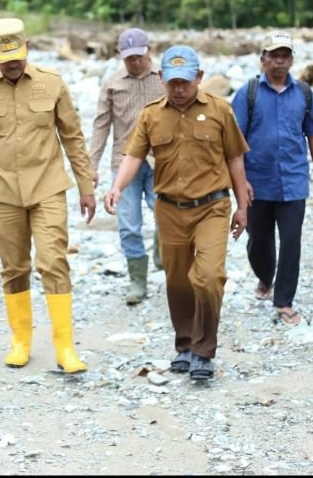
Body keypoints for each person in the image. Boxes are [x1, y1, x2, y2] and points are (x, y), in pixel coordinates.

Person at [0, 18, 97, 373]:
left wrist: (86, 186)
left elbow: (73, 137)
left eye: (17, 56)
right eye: (4, 59)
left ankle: (65, 348)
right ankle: (21, 341)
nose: (13, 64)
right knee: (14, 268)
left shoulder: (52, 83)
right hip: (2, 193)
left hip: (48, 187)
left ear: (28, 48)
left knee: (53, 262)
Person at [104, 45, 249, 382]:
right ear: (162, 79)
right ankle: (184, 345)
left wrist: (243, 206)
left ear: (199, 77)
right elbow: (133, 156)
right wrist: (117, 187)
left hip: (212, 207)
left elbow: (235, 158)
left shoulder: (220, 110)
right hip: (169, 210)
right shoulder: (151, 115)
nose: (179, 89)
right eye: (173, 83)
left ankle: (204, 351)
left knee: (209, 277)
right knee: (178, 281)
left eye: (185, 81)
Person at [231, 31, 313, 327]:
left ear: (292, 60)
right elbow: (233, 141)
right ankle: (265, 277)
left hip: (294, 183)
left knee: (291, 243)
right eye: (273, 55)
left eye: (285, 56)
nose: (279, 61)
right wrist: (241, 182)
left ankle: (284, 301)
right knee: (258, 244)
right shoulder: (247, 94)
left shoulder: (304, 94)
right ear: (263, 59)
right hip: (256, 184)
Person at [89, 28, 165, 306]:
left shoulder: (164, 79)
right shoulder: (112, 83)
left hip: (160, 162)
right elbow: (101, 124)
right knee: (129, 225)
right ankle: (137, 281)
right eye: (129, 58)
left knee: (167, 217)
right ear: (120, 55)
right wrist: (92, 165)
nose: (135, 62)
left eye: (139, 56)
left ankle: (162, 254)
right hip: (124, 164)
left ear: (149, 51)